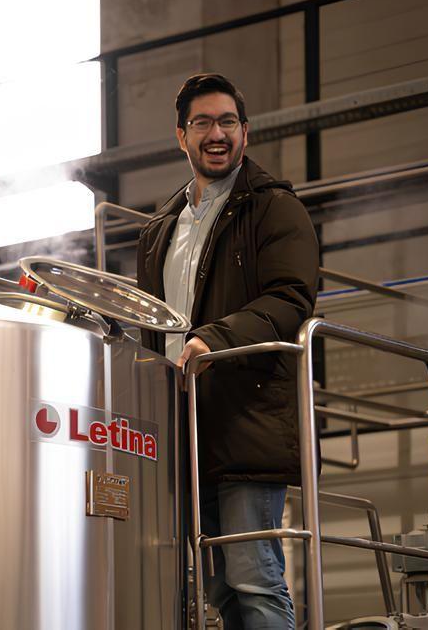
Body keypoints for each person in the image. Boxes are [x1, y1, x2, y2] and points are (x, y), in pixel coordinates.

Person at [137, 73, 319, 628]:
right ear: (181, 136)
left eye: (226, 122)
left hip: (246, 418)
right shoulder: (159, 230)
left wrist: (214, 339)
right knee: (216, 588)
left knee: (253, 578)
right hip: (182, 427)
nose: (215, 133)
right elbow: (149, 321)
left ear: (246, 131)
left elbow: (291, 298)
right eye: (202, 123)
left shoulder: (273, 208)